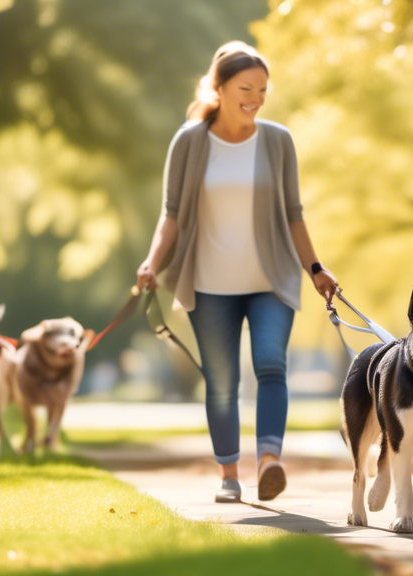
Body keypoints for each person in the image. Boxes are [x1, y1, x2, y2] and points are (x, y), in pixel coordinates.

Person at [136, 41, 338, 503]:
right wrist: (152, 262)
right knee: (222, 380)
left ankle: (270, 462)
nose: (256, 98)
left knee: (271, 364)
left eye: (263, 89)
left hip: (271, 279)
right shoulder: (189, 141)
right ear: (220, 88)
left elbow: (294, 214)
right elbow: (171, 215)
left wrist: (316, 269)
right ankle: (229, 476)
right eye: (246, 88)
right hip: (208, 285)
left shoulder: (277, 140)